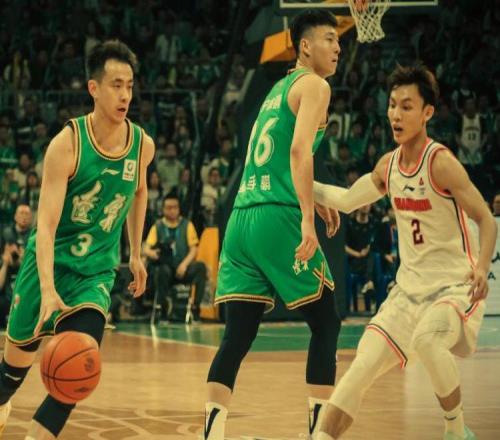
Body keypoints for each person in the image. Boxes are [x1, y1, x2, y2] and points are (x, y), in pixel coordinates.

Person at [313, 64, 497, 440]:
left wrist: (481, 268)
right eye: (392, 105)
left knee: (428, 340)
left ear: (427, 112)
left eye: (407, 106)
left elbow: (485, 219)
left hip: (453, 288)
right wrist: (300, 183)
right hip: (407, 293)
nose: (396, 114)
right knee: (361, 366)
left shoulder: (441, 163)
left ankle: (455, 430)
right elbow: (346, 201)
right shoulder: (389, 166)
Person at [0, 40, 154, 439]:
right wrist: (47, 289)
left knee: (77, 365)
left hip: (95, 272)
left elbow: (139, 191)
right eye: (116, 85)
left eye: (130, 86)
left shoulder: (142, 145)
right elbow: (46, 226)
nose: (125, 95)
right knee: (10, 375)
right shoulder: (66, 144)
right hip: (48, 265)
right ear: (94, 88)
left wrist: (135, 253)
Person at [204, 10, 343, 440]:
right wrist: (306, 218)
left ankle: (212, 432)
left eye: (339, 40)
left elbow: (277, 160)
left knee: (237, 335)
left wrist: (313, 197)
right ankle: (319, 433)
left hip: (241, 219)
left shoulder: (275, 91)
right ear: (305, 46)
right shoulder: (316, 85)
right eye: (329, 38)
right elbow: (300, 152)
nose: (338, 47)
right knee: (327, 323)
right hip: (276, 218)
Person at [143, 193, 206, 322]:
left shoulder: (187, 225)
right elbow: (145, 248)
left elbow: (194, 249)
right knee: (161, 271)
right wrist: (152, 253)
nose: (172, 210)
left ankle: (195, 308)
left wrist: (184, 265)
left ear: (179, 208)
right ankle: (162, 308)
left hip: (183, 267)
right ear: (163, 209)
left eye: (175, 207)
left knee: (200, 268)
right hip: (167, 269)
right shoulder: (157, 226)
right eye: (169, 207)